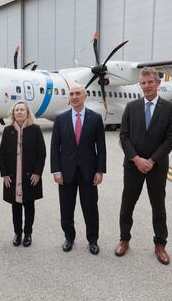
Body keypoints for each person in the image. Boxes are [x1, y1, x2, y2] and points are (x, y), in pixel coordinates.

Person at [116, 67, 172, 265]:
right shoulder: (131, 107)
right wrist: (137, 159)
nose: (146, 86)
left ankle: (160, 244)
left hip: (157, 167)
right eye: (143, 83)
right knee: (127, 204)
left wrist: (151, 161)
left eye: (150, 82)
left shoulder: (170, 109)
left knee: (158, 206)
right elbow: (123, 136)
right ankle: (124, 239)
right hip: (133, 165)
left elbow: (170, 140)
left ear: (158, 83)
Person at [50, 84, 106, 255]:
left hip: (89, 173)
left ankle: (93, 240)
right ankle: (69, 238)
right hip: (66, 173)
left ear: (85, 96)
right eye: (72, 94)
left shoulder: (95, 118)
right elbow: (54, 147)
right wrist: (56, 171)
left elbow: (101, 148)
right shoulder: (61, 119)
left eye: (78, 93)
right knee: (66, 208)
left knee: (90, 208)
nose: (74, 96)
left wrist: (100, 170)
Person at [0, 101, 46, 247]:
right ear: (13, 113)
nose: (19, 112)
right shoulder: (8, 131)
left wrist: (37, 173)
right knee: (16, 207)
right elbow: (2, 154)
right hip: (12, 176)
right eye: (17, 110)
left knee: (29, 205)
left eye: (22, 110)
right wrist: (4, 174)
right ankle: (17, 234)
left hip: (30, 176)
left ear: (27, 112)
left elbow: (41, 154)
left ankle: (28, 234)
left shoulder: (35, 129)